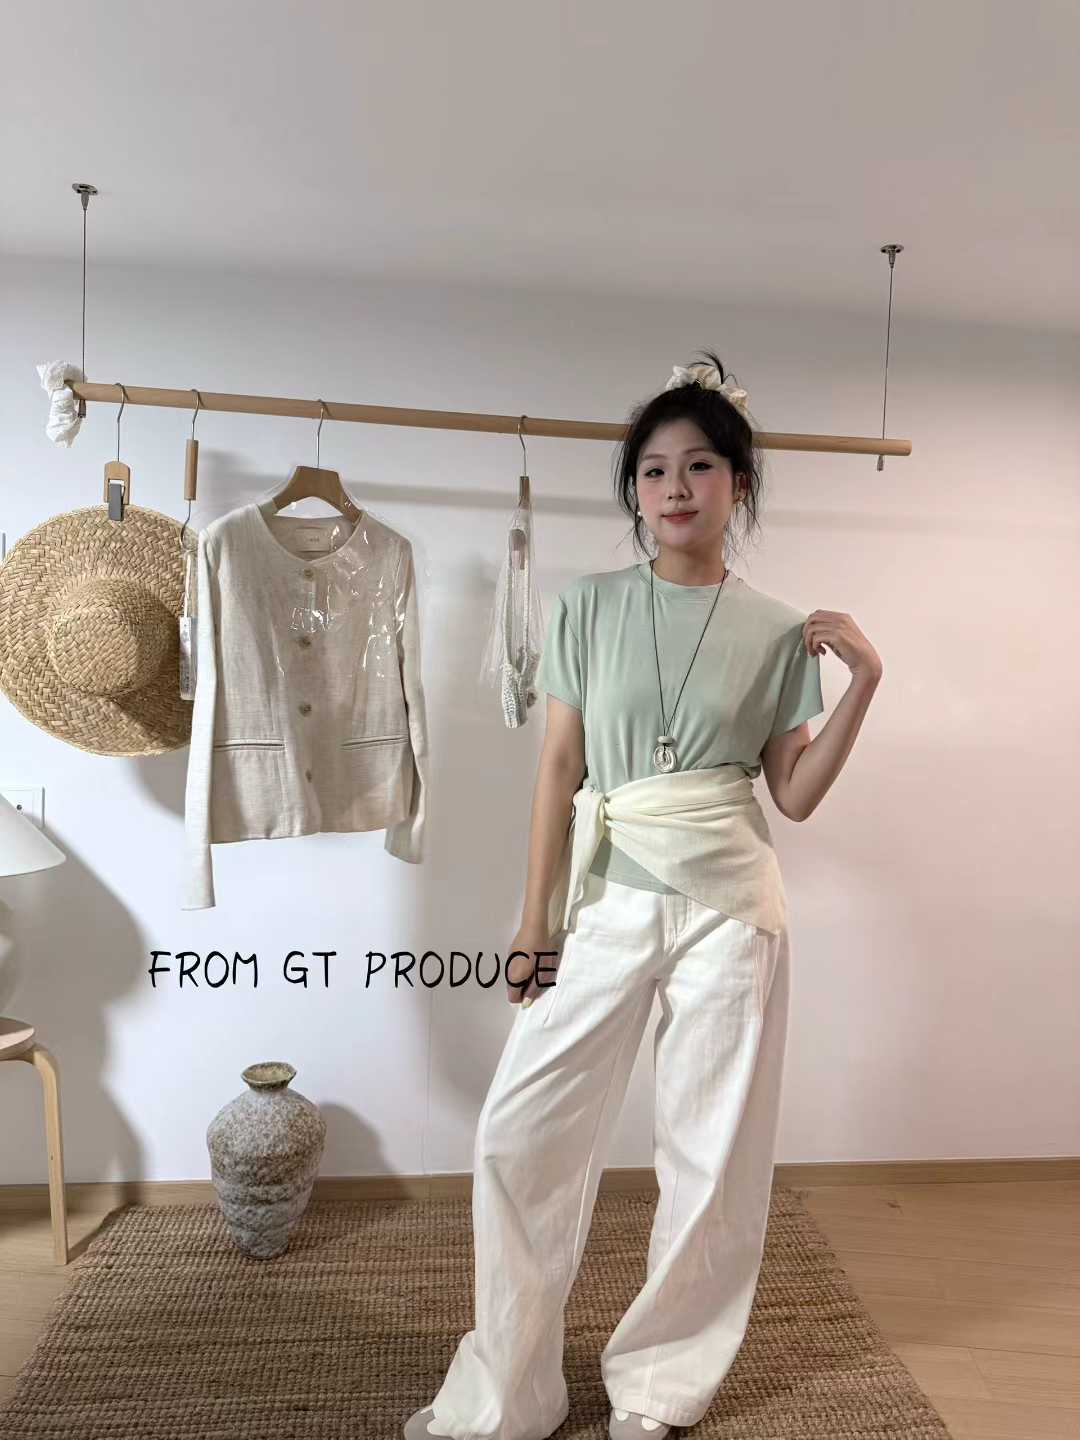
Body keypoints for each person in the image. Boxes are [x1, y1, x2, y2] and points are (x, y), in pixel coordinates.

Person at [405, 352, 884, 1440]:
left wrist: (867, 682)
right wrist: (534, 922)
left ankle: (661, 1389)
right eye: (655, 469)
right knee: (519, 1136)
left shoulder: (778, 630)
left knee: (710, 1156)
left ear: (738, 485)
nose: (676, 487)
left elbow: (795, 793)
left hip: (731, 907)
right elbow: (557, 770)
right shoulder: (586, 607)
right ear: (634, 489)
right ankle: (509, 1394)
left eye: (701, 466)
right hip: (608, 897)